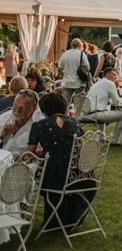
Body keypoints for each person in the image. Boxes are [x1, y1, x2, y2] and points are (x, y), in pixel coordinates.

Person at [26, 92, 95, 230]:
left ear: (43, 110)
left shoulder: (39, 125)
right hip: (78, 173)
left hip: (53, 174)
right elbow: (81, 145)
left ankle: (54, 220)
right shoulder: (74, 122)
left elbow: (29, 154)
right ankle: (69, 218)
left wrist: (44, 152)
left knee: (36, 173)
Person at [86, 68, 122, 146]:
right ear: (107, 74)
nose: (115, 77)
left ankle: (101, 139)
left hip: (88, 112)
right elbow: (117, 102)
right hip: (97, 113)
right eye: (114, 74)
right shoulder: (109, 83)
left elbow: (107, 100)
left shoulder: (98, 83)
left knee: (103, 110)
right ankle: (115, 140)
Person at [0, 87, 43, 154]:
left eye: (23, 108)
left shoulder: (41, 124)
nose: (17, 111)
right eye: (16, 106)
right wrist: (2, 136)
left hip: (23, 163)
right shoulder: (5, 117)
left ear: (34, 109)